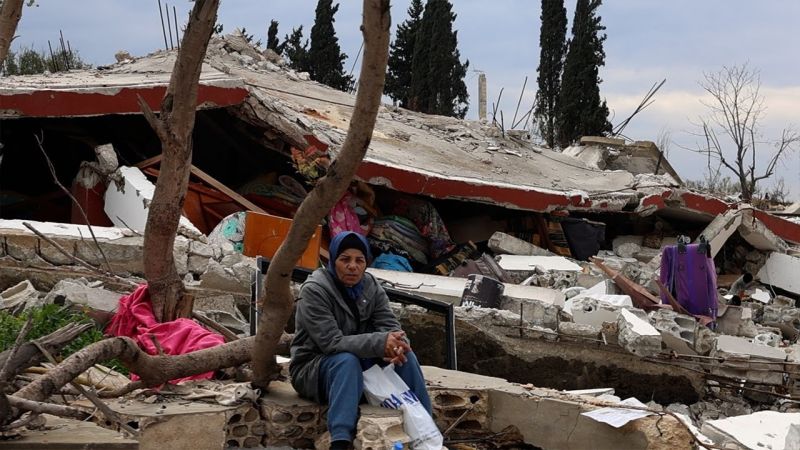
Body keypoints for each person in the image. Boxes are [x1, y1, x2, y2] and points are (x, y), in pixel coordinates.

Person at [290, 231, 433, 449]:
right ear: (333, 261)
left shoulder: (371, 285)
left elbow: (390, 326)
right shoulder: (315, 291)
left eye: (359, 260)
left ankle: (428, 431)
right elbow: (332, 343)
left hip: (361, 363)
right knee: (346, 360)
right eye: (345, 259)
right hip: (314, 369)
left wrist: (395, 345)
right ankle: (340, 439)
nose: (352, 266)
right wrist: (379, 343)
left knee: (405, 355)